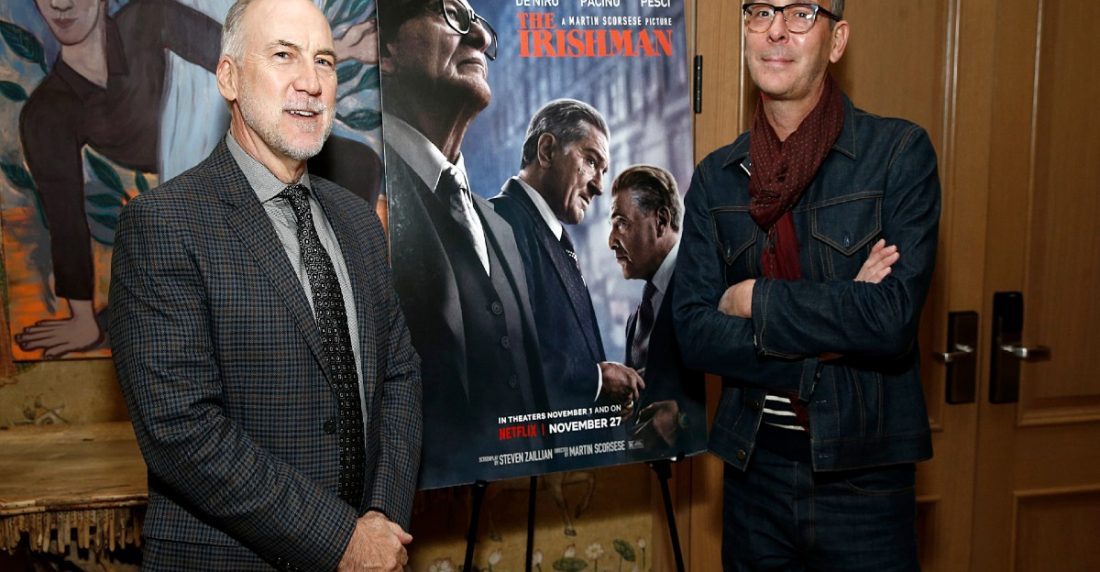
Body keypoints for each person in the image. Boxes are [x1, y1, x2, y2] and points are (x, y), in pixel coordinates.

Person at [108, 1, 421, 570]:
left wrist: (382, 518)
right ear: (228, 78)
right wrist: (342, 541)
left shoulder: (357, 221)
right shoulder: (163, 225)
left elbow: (399, 374)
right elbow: (181, 429)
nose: (311, 83)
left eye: (324, 61)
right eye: (283, 55)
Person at [673, 1, 940, 569]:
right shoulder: (716, 178)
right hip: (754, 475)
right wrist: (838, 328)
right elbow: (694, 334)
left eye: (799, 13)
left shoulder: (897, 155)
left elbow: (890, 320)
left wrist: (749, 299)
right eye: (760, 11)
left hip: (865, 482)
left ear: (836, 41)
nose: (776, 30)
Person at [17, 0, 382, 359]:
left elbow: (244, 62)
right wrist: (82, 318)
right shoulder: (45, 113)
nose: (61, 5)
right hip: (197, 188)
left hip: (245, 155)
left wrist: (334, 51)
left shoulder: (148, 18)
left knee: (359, 164)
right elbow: (65, 217)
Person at [377, 0, 548, 488]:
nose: (479, 36)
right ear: (385, 51)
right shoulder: (358, 197)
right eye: (452, 13)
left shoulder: (503, 229)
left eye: (479, 22)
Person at [492, 98, 644, 414]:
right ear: (547, 151)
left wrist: (604, 395)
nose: (600, 186)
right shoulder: (500, 222)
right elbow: (501, 354)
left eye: (604, 170)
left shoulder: (553, 234)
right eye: (591, 161)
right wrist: (597, 382)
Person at [606, 165, 706, 457]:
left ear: (661, 221)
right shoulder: (636, 318)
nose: (611, 241)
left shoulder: (704, 285)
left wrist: (684, 420)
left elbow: (732, 386)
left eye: (621, 223)